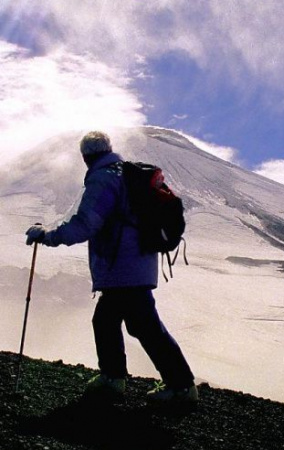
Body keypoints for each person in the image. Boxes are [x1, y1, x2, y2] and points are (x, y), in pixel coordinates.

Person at [25, 131, 197, 404]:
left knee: (143, 326)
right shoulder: (126, 175)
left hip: (122, 267)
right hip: (137, 264)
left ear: (86, 157)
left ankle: (178, 386)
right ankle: (117, 378)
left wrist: (48, 236)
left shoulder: (103, 178)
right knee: (111, 321)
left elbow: (87, 223)